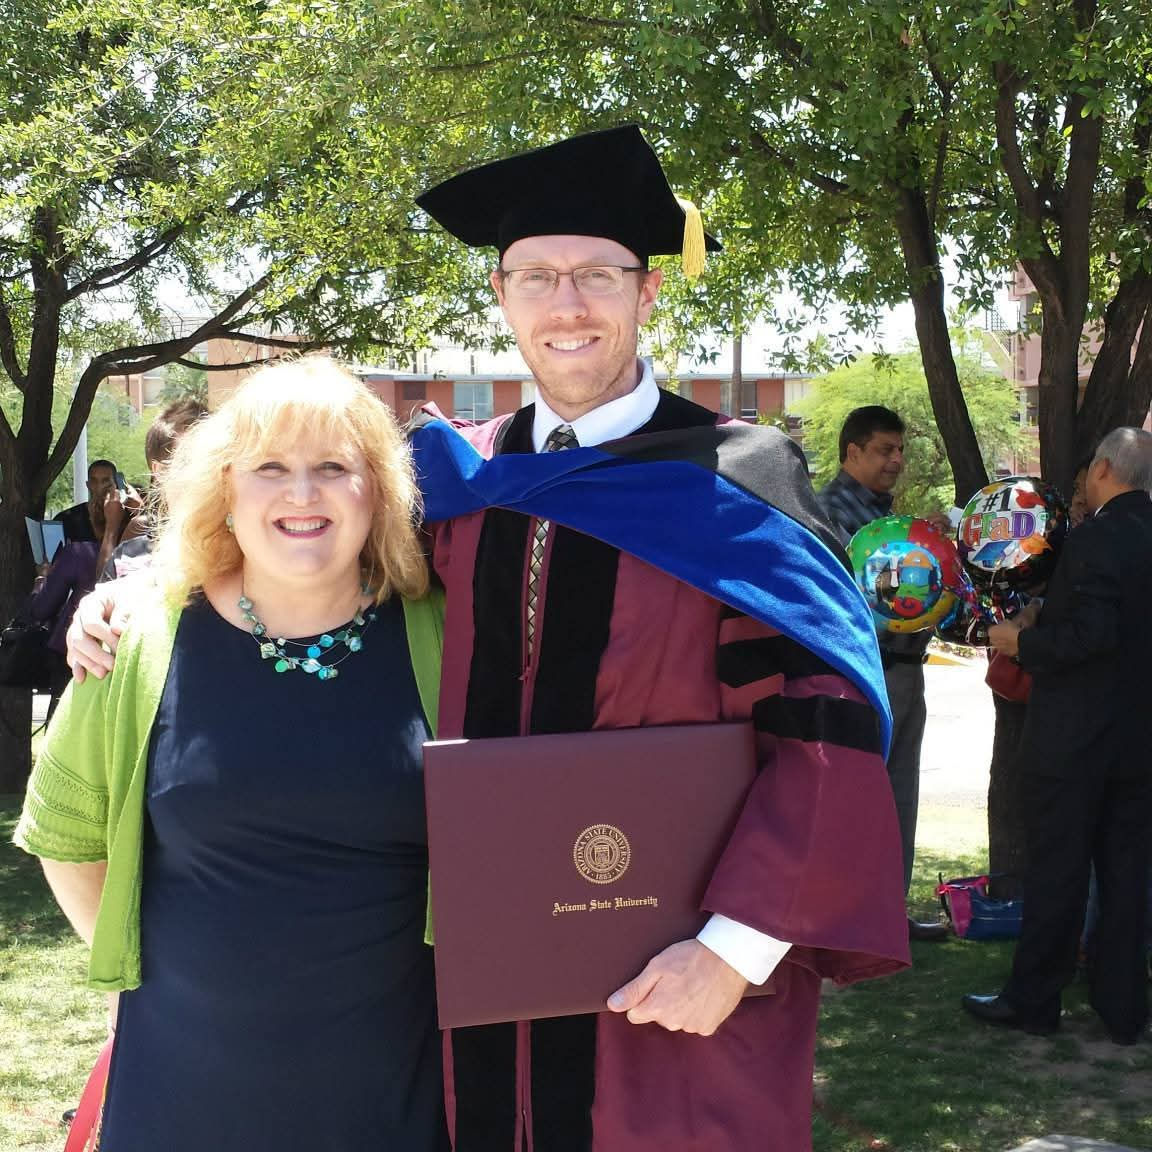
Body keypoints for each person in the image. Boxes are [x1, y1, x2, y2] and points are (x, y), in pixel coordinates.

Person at [67, 127, 909, 1152]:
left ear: (648, 293)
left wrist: (738, 948)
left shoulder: (740, 483)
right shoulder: (452, 480)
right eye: (537, 276)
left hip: (675, 976)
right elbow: (302, 549)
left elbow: (825, 732)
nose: (568, 304)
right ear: (502, 298)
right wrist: (141, 589)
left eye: (598, 275)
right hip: (482, 986)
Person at [16, 357, 450, 1151]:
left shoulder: (449, 638)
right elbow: (68, 841)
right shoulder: (132, 639)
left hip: (395, 1087)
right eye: (271, 469)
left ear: (379, 491)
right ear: (225, 490)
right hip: (185, 1084)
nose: (302, 493)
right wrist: (158, 977)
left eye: (333, 468)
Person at [964, 427, 1152, 1044]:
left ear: (1102, 469)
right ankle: (1122, 1008)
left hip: (1076, 741)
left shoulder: (1097, 537)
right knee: (1127, 880)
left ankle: (1034, 1001)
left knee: (1057, 875)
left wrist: (1023, 642)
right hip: (1137, 742)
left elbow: (1088, 640)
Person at [817, 405, 950, 941]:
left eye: (900, 450)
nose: (896, 460)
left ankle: (887, 916)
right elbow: (860, 597)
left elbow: (912, 595)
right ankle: (846, 922)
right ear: (852, 452)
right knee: (856, 797)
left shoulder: (889, 517)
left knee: (900, 794)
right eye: (884, 450)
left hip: (907, 669)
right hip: (862, 675)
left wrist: (936, 551)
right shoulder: (826, 512)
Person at [100, 397, 208, 581]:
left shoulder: (249, 551)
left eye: (213, 457)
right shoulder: (131, 559)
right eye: (187, 460)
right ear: (159, 470)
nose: (204, 470)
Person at [54, 458, 119, 544]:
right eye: (94, 481)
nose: (100, 487)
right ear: (88, 485)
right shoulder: (66, 519)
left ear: (116, 485)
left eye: (106, 481)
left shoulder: (125, 518)